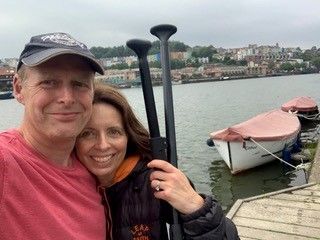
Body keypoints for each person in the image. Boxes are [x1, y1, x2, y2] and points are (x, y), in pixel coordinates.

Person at [76, 84, 239, 239]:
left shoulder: (155, 180)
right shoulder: (64, 186)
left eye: (114, 132)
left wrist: (196, 208)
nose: (103, 145)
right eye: (87, 133)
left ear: (128, 136)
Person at [0, 33, 107, 239]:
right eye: (49, 82)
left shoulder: (95, 165)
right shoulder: (5, 161)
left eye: (79, 84)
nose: (67, 98)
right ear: (19, 88)